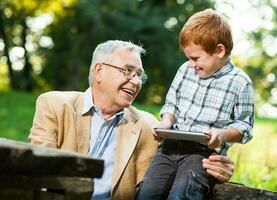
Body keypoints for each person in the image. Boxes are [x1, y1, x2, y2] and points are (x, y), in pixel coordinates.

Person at [29, 40, 235, 200]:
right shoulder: (55, 105)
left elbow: (181, 161)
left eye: (139, 75)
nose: (136, 82)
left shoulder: (148, 126)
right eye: (127, 71)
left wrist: (216, 168)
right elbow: (40, 171)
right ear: (99, 71)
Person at [135, 9, 254, 200]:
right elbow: (171, 104)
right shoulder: (185, 70)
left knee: (181, 195)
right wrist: (166, 123)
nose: (191, 64)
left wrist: (221, 135)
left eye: (195, 58)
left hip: (202, 153)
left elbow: (244, 127)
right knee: (147, 194)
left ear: (219, 51)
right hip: (170, 146)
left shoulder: (240, 82)